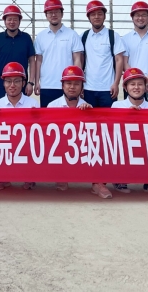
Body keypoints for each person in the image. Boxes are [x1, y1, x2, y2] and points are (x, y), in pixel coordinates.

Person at [46, 66, 109, 198]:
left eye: (76, 84)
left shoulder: (87, 106)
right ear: (62, 86)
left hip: (80, 147)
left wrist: (89, 114)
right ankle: (61, 175)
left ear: (82, 87)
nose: (72, 87)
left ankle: (97, 182)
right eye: (68, 83)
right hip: (61, 147)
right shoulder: (52, 106)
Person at [111, 67, 148, 197]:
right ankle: (119, 179)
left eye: (140, 84)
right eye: (132, 84)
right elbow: (112, 132)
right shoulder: (117, 106)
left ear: (146, 87)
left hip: (145, 147)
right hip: (125, 146)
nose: (136, 87)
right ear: (125, 88)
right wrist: (127, 116)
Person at [0, 62, 39, 191]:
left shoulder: (33, 104)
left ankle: (29, 175)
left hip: (25, 145)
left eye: (17, 81)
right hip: (5, 145)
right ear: (3, 83)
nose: (12, 85)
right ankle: (2, 176)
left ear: (23, 83)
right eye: (8, 81)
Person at [34, 0, 84, 108]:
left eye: (56, 12)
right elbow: (39, 61)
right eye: (50, 12)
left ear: (62, 14)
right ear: (46, 15)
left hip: (67, 85)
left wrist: (77, 81)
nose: (53, 15)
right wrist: (37, 82)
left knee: (69, 116)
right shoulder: (41, 36)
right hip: (47, 85)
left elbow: (77, 59)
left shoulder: (72, 35)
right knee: (48, 116)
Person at [0, 5, 37, 101]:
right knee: (0, 109)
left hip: (21, 83)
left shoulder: (26, 38)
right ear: (4, 21)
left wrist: (31, 82)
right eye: (9, 19)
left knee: (22, 108)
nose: (12, 22)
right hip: (1, 84)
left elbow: (32, 60)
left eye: (15, 19)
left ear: (19, 21)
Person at [81, 0, 125, 108]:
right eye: (93, 14)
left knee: (108, 117)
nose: (96, 17)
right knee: (89, 117)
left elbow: (119, 60)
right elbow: (80, 60)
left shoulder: (113, 35)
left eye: (100, 14)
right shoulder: (84, 36)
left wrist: (116, 83)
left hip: (108, 88)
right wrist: (80, 84)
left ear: (104, 16)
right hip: (88, 88)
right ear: (88, 17)